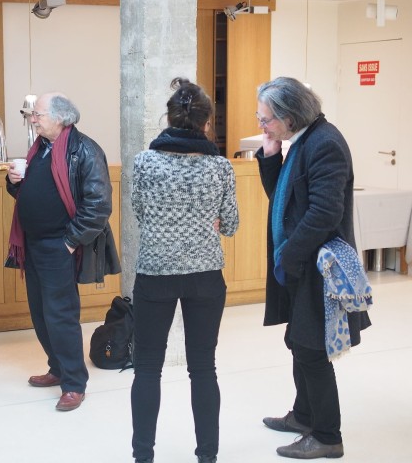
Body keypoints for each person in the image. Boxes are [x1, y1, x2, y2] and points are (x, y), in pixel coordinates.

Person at [255, 77, 371, 459]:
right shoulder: (302, 141)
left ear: (289, 117)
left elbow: (325, 213)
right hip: (300, 263)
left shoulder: (325, 144)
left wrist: (289, 256)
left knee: (312, 350)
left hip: (317, 267)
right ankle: (304, 416)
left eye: (267, 119)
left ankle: (326, 436)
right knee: (298, 342)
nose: (262, 126)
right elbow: (283, 199)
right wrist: (270, 155)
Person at [130, 77, 239, 463]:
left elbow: (140, 213)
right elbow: (231, 225)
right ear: (206, 123)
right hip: (205, 276)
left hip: (155, 274)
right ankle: (207, 456)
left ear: (170, 118)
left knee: (147, 368)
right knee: (203, 368)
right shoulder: (220, 167)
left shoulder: (145, 162)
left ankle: (143, 456)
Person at [5, 92, 120, 411]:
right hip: (33, 243)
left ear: (60, 117)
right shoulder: (41, 148)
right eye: (33, 114)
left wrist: (70, 241)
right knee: (40, 313)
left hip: (60, 245)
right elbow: (31, 192)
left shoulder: (85, 150)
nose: (33, 119)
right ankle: (57, 368)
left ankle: (74, 383)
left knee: (61, 315)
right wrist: (14, 182)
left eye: (38, 114)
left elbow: (99, 205)